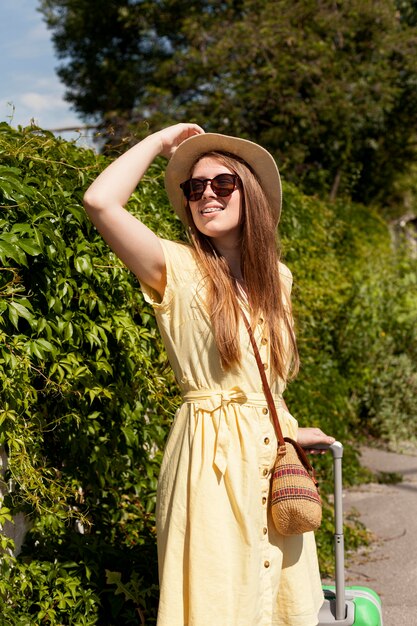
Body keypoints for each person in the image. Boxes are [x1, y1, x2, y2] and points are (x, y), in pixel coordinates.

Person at [83, 123, 335, 626]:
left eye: (222, 184)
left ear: (252, 195)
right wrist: (159, 143)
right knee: (219, 600)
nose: (207, 195)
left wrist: (289, 428)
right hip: (210, 462)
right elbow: (100, 202)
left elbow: (264, 379)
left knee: (282, 601)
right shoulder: (173, 266)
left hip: (274, 458)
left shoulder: (277, 279)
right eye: (195, 187)